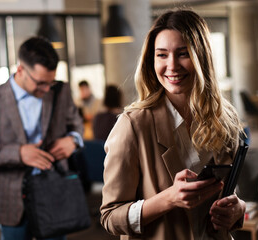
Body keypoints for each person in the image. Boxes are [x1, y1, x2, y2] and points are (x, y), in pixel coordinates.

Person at [100, 9, 246, 240]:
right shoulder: (132, 125)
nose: (172, 66)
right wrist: (169, 198)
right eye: (162, 55)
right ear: (151, 60)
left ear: (201, 57)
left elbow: (229, 193)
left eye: (182, 53)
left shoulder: (223, 119)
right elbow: (110, 217)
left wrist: (237, 210)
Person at [0, 36, 84, 240]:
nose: (47, 89)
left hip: (55, 190)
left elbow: (76, 124)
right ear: (20, 69)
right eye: (41, 83)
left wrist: (73, 140)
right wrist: (19, 153)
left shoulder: (60, 90)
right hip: (11, 197)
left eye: (50, 82)